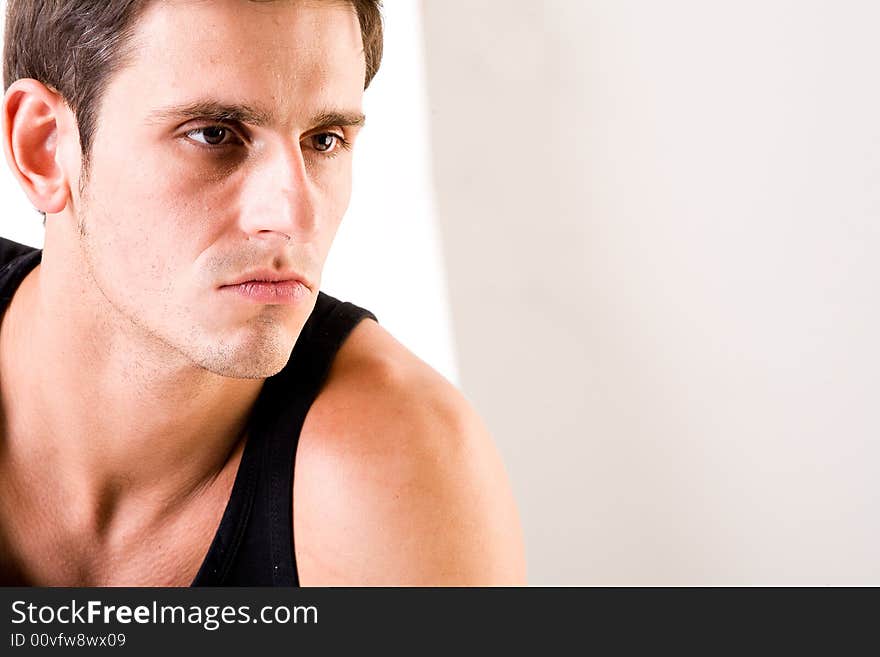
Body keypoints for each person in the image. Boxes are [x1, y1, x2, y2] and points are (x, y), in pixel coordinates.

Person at [0, 0, 526, 586]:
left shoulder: (397, 474)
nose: (294, 213)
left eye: (324, 140)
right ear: (44, 147)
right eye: (214, 135)